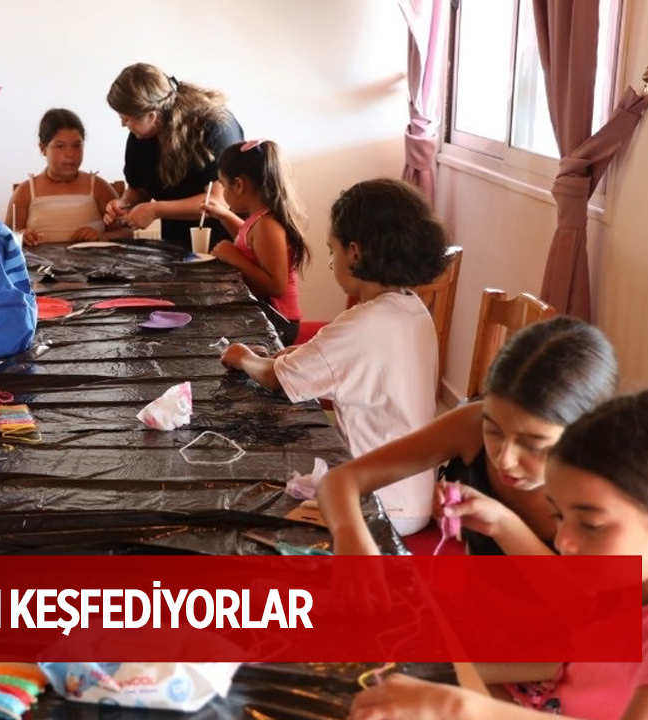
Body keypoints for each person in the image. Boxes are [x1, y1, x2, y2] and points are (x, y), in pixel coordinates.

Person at [350, 388, 648, 720]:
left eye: (591, 524)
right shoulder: (632, 585)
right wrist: (499, 522)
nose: (564, 541)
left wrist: (457, 705)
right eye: (559, 516)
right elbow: (579, 629)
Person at [222, 179, 449, 535]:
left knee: (247, 508)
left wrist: (242, 356)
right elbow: (350, 364)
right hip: (414, 493)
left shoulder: (361, 324)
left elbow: (277, 378)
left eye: (332, 250)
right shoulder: (412, 308)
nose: (331, 263)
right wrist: (293, 355)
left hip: (381, 505)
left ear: (354, 253)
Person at [318, 316, 618, 555]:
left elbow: (581, 603)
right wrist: (350, 535)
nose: (504, 459)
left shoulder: (615, 490)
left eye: (533, 445)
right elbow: (342, 479)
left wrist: (501, 523)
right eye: (494, 431)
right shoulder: (472, 426)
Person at [103, 63, 242, 250]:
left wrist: (156, 210)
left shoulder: (215, 127)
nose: (122, 125)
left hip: (224, 245)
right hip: (175, 246)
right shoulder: (139, 138)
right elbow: (139, 190)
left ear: (152, 116)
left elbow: (218, 201)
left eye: (126, 119)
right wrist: (124, 204)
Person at [200, 138, 309, 346]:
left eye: (224, 185)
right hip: (266, 314)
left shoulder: (267, 225)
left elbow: (277, 286)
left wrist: (233, 257)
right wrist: (223, 214)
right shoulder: (259, 220)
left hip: (278, 321)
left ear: (239, 185)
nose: (223, 193)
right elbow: (248, 241)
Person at [5, 108, 120, 245]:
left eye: (77, 146)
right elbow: (4, 238)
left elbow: (127, 232)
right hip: (40, 260)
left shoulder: (98, 187)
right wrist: (20, 236)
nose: (70, 154)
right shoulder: (25, 192)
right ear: (43, 148)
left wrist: (102, 236)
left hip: (93, 259)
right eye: (60, 146)